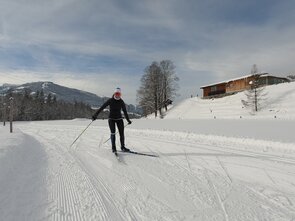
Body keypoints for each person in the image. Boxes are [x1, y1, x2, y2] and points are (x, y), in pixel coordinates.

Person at [92, 87, 132, 153]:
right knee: (113, 133)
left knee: (122, 133)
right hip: (111, 119)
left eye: (119, 94)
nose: (117, 95)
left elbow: (125, 111)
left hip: (119, 119)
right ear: (114, 93)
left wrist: (128, 120)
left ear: (120, 94)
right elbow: (102, 107)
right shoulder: (110, 100)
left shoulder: (121, 102)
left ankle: (123, 147)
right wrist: (95, 115)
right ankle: (114, 148)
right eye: (116, 93)